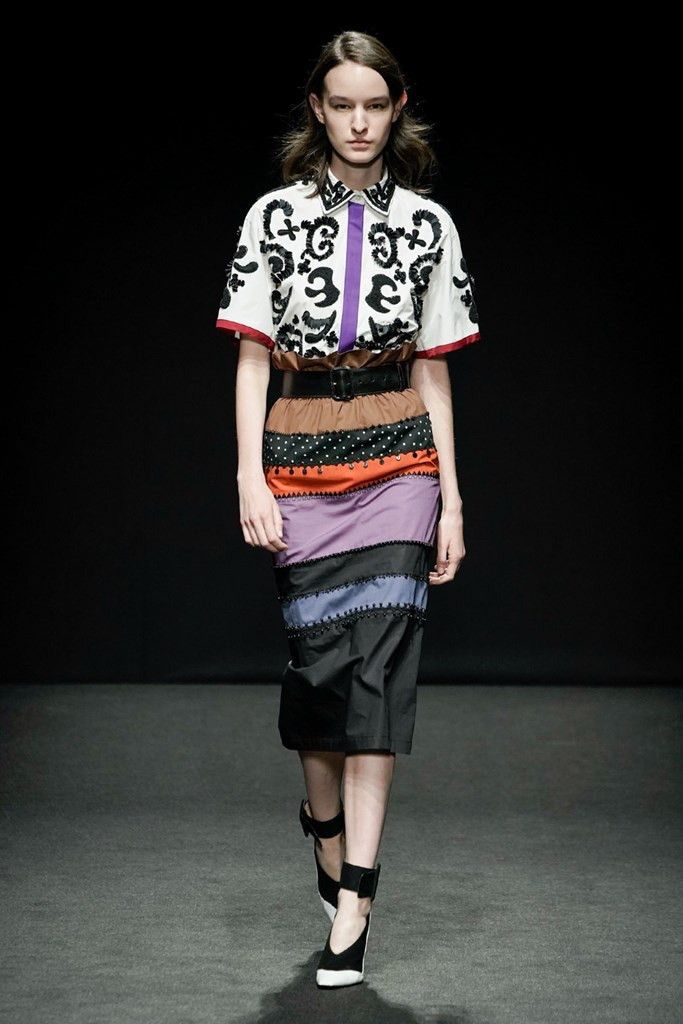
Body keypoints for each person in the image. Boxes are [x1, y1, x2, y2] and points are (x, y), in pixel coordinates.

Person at [215, 30, 481, 988]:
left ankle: (356, 902)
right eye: (342, 106)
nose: (359, 123)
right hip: (297, 455)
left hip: (399, 454)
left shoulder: (429, 225)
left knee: (378, 675)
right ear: (318, 111)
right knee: (322, 677)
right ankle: (323, 832)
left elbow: (434, 372)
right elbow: (252, 358)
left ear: (396, 107)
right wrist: (248, 476)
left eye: (375, 105)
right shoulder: (273, 216)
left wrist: (450, 501)